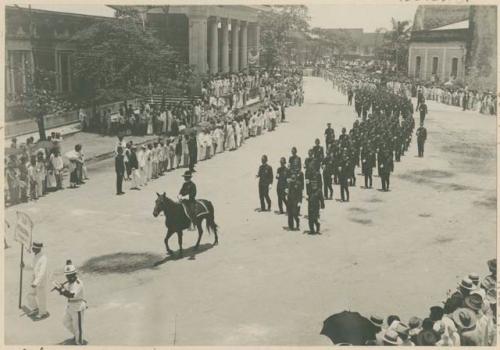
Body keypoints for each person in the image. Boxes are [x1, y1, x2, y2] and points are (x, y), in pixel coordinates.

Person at [54, 260, 87, 345]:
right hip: (70, 306)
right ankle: (77, 335)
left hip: (77, 307)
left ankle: (79, 342)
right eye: (67, 276)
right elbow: (67, 293)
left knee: (78, 327)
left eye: (71, 276)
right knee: (65, 322)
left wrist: (61, 290)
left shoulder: (78, 283)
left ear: (74, 274)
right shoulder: (70, 282)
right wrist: (61, 289)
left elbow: (71, 295)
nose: (69, 278)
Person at [24, 241, 49, 320]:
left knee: (41, 297)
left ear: (38, 249)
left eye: (34, 248)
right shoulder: (36, 256)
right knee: (29, 295)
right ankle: (35, 309)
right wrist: (24, 266)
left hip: (40, 281)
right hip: (34, 279)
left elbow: (42, 272)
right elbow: (32, 266)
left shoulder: (43, 258)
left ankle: (43, 313)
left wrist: (36, 282)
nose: (32, 249)